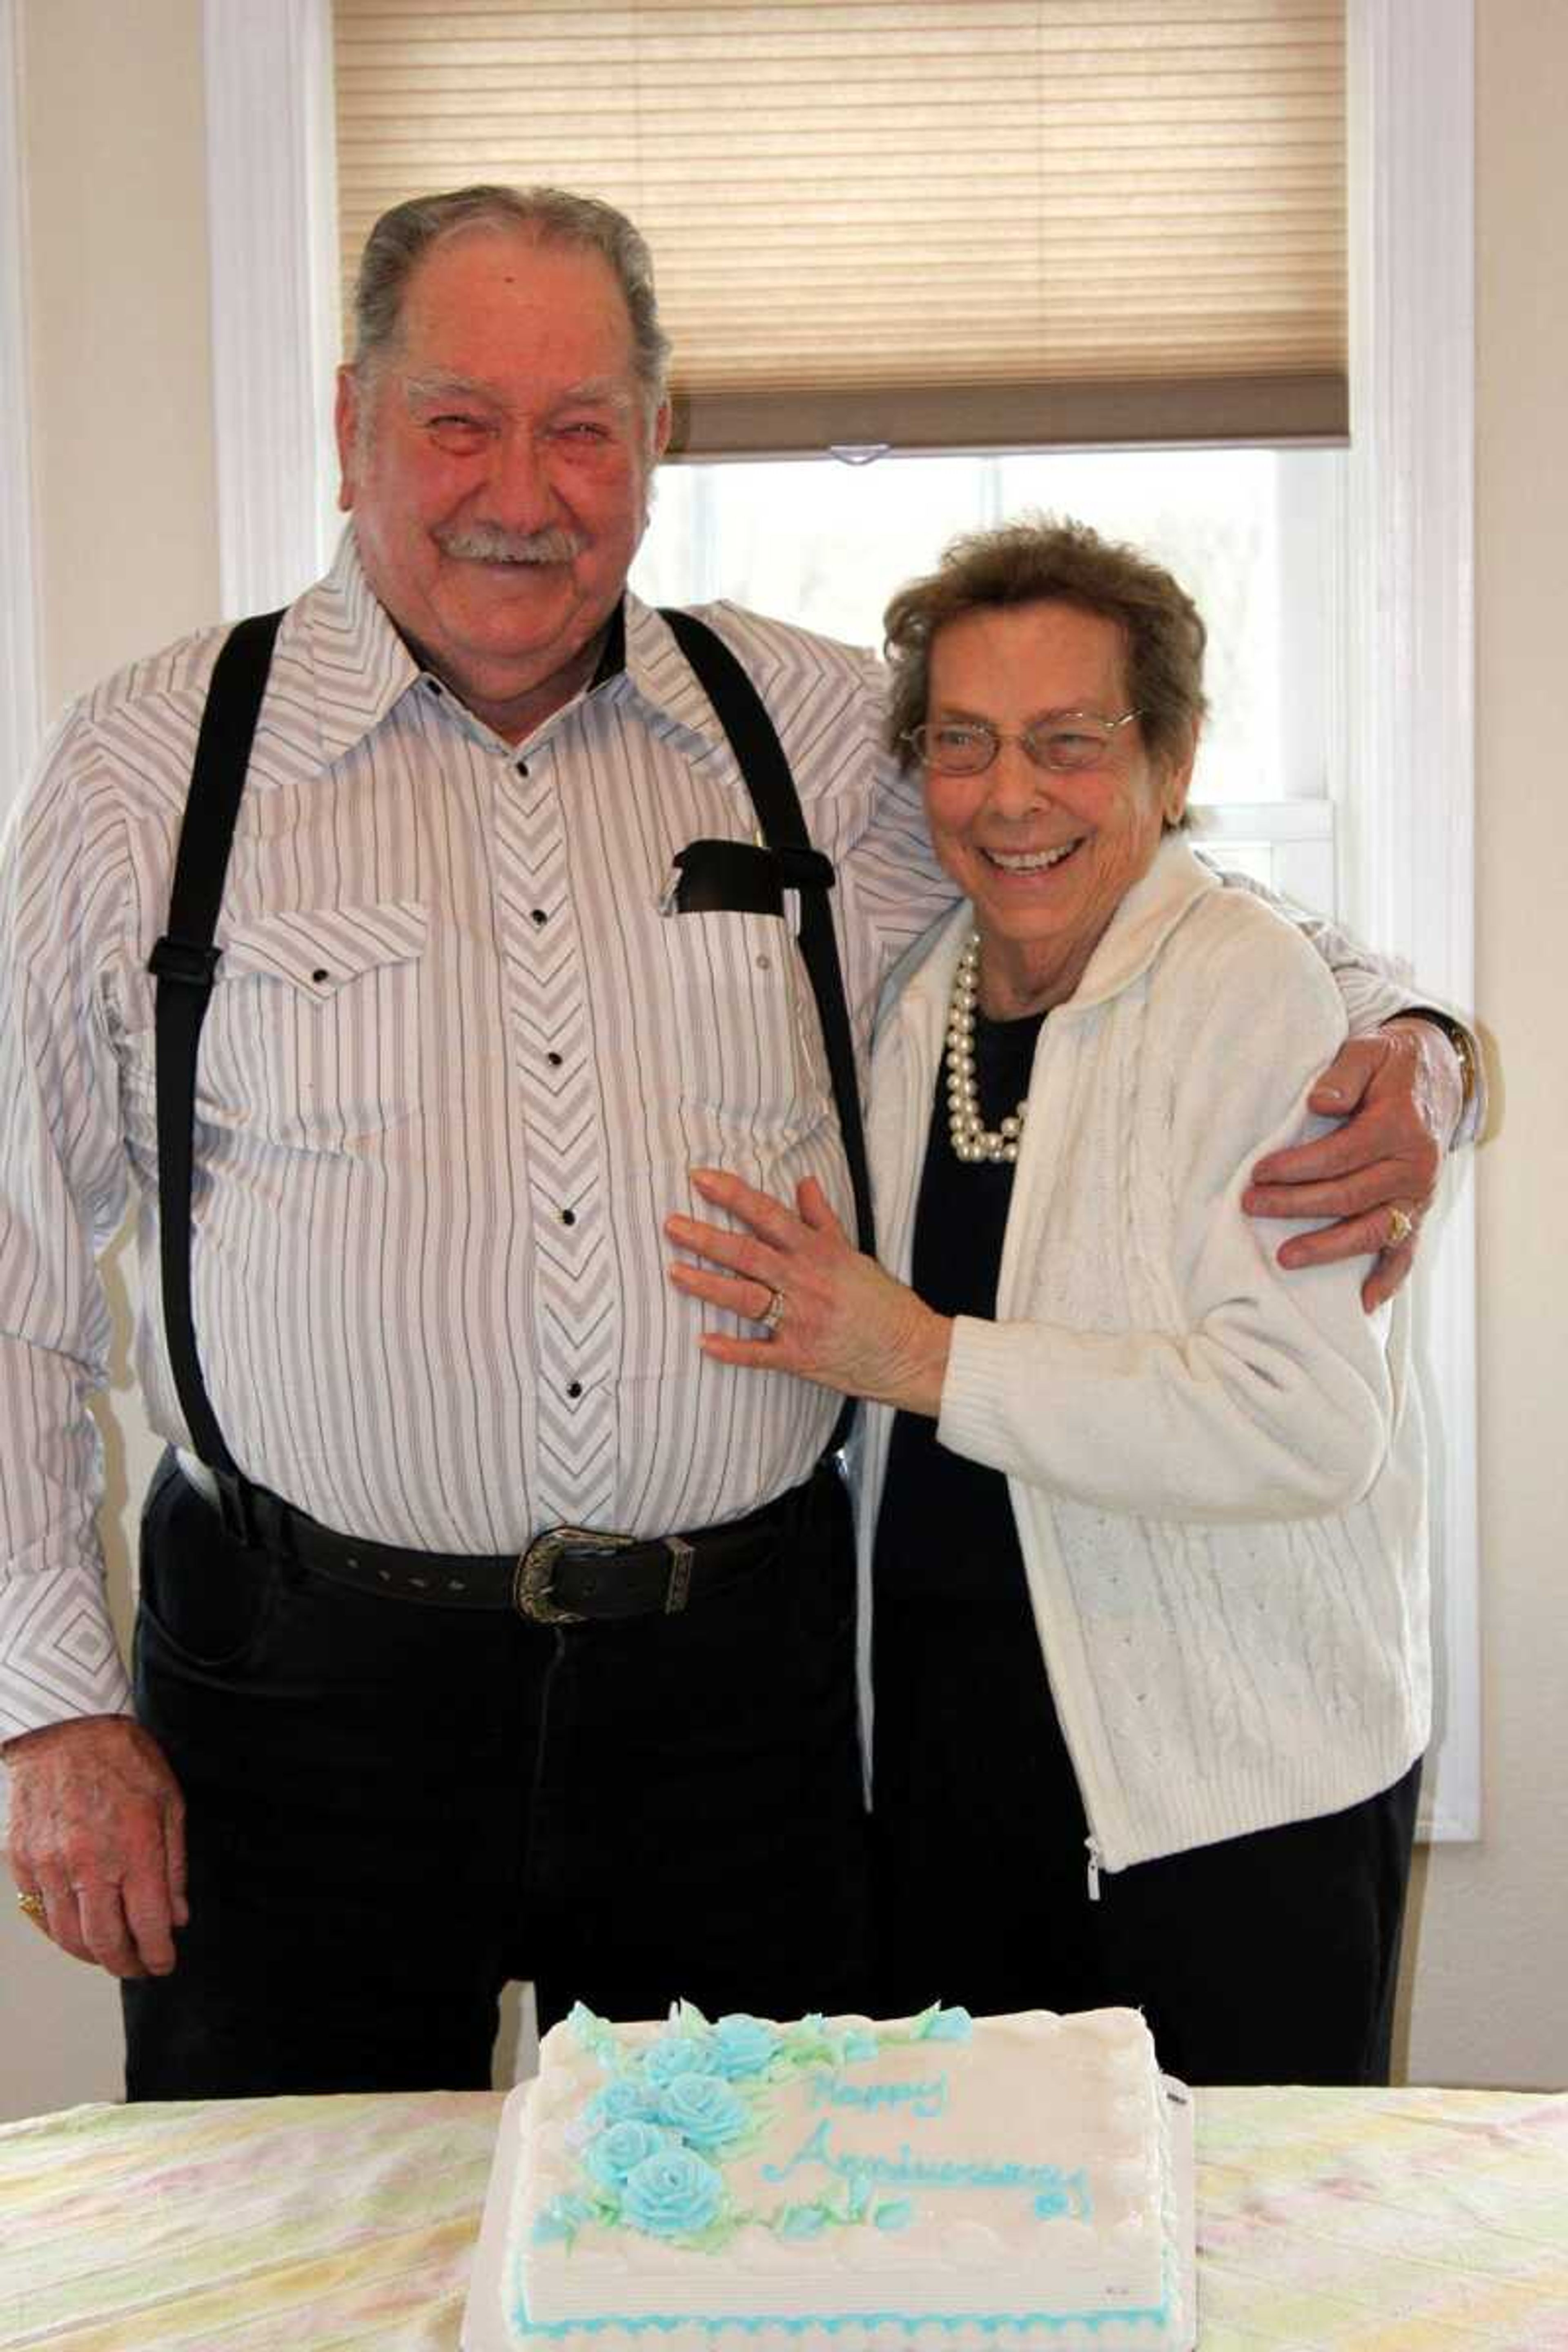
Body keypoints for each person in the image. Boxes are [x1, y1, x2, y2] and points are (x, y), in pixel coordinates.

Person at [0, 187, 1468, 2099]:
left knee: (761, 2247)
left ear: (657, 438)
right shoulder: (149, 771)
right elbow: (17, 1277)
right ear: (352, 420)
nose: (519, 488)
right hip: (304, 1703)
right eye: (459, 420)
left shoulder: (801, 726)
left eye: (583, 424)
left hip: (732, 1713)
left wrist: (1408, 1036)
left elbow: (1097, 860)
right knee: (300, 2254)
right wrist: (48, 1712)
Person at [665, 518, 1440, 2087]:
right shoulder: (915, 988)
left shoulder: (1252, 989)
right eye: (963, 745)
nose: (1011, 798)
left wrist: (922, 1355)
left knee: (1234, 2290)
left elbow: (1305, 1429)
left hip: (1222, 1801)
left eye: (1068, 744)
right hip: (949, 1779)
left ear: (1171, 759)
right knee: (977, 2275)